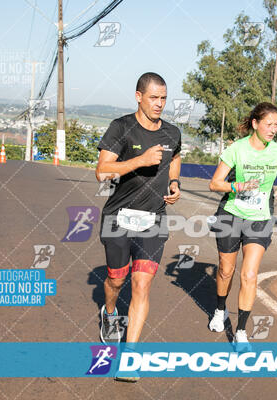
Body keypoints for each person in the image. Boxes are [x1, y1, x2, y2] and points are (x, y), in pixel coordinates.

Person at [95, 72, 181, 380]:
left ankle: (129, 358)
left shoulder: (172, 132)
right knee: (116, 282)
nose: (159, 104)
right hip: (118, 218)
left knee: (141, 284)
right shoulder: (121, 128)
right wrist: (140, 160)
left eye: (163, 99)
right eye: (154, 98)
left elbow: (175, 158)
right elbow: (102, 172)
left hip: (153, 220)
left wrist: (173, 182)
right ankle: (109, 313)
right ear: (138, 97)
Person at [208, 102, 277, 347]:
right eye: (268, 124)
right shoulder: (237, 149)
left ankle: (241, 332)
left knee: (249, 274)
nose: (273, 129)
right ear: (255, 124)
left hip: (260, 217)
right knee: (226, 270)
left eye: (276, 125)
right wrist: (238, 186)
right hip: (231, 213)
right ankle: (219, 309)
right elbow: (214, 184)